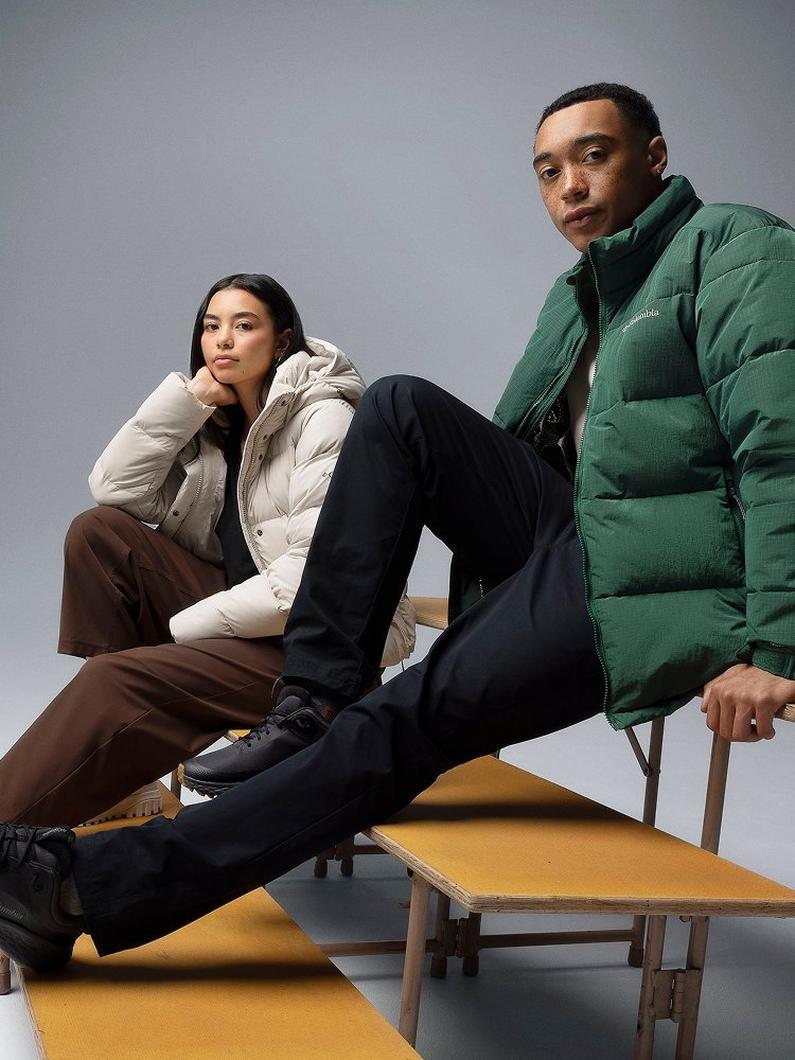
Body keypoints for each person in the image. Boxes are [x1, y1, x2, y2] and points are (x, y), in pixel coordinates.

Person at [1, 83, 794, 974]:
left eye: (592, 155)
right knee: (401, 406)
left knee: (396, 723)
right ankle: (307, 702)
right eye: (546, 171)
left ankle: (76, 886)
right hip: (573, 538)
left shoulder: (737, 251)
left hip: (651, 570)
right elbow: (520, 460)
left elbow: (781, 450)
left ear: (653, 157)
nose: (568, 185)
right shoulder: (579, 297)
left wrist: (773, 646)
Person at [0, 272, 415, 829]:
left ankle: (9, 829)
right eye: (211, 326)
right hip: (247, 616)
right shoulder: (218, 426)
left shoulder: (324, 418)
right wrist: (189, 399)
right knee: (97, 533)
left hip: (320, 654)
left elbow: (314, 583)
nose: (222, 340)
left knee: (114, 678)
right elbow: (115, 489)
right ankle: (123, 774)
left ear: (283, 341)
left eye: (244, 326)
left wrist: (183, 628)